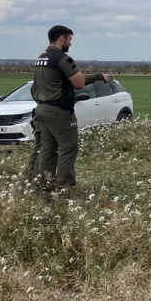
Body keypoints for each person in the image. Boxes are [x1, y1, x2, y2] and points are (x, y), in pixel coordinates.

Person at [30, 25, 112, 190]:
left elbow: (34, 88)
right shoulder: (62, 59)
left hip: (42, 109)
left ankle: (42, 186)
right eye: (70, 39)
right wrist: (99, 76)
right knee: (68, 148)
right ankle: (64, 187)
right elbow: (79, 83)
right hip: (59, 111)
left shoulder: (41, 58)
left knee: (48, 149)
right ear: (62, 38)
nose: (70, 43)